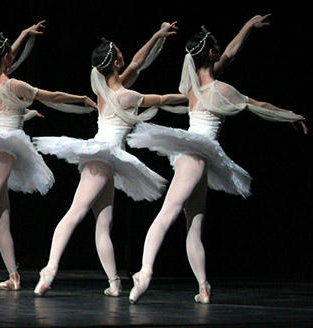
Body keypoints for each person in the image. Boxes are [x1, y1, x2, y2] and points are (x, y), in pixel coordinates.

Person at [128, 17, 306, 304]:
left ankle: (149, 274)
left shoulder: (193, 87)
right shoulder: (222, 90)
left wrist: (247, 26)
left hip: (193, 156)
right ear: (211, 54)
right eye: (216, 49)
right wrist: (289, 115)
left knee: (170, 215)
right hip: (201, 156)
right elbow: (259, 105)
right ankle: (193, 284)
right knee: (188, 222)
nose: (222, 52)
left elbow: (231, 54)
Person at [33, 22, 184, 296]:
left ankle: (114, 282)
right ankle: (49, 271)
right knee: (75, 213)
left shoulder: (105, 91)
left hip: (107, 159)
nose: (125, 57)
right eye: (120, 54)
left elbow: (137, 64)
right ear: (116, 62)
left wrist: (157, 36)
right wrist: (192, 97)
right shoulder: (125, 95)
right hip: (103, 156)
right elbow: (162, 99)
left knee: (103, 223)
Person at [0, 25, 97, 290]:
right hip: (5, 148)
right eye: (10, 55)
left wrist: (24, 34)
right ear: (6, 59)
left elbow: (2, 58)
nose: (13, 58)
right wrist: (82, 98)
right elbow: (53, 97)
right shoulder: (14, 85)